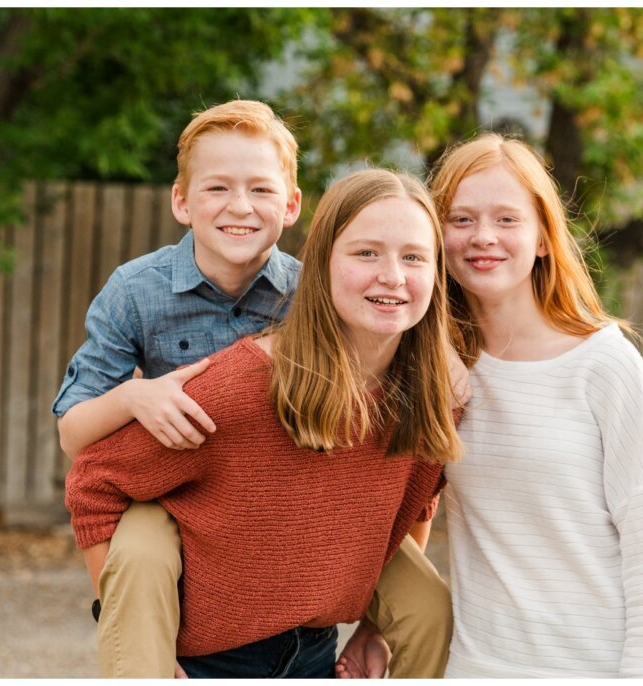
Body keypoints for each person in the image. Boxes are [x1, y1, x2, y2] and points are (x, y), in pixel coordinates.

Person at [53, 100, 454, 677]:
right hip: (167, 481)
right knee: (140, 558)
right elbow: (76, 439)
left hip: (293, 486)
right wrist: (135, 397)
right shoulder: (137, 291)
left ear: (291, 206)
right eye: (218, 188)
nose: (240, 207)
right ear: (181, 200)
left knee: (427, 604)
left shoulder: (312, 292)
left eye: (261, 190)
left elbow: (409, 466)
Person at [337, 133, 643, 678]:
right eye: (460, 219)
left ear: (542, 238)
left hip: (595, 667)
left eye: (506, 219)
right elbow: (411, 501)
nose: (483, 237)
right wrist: (377, 623)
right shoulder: (434, 366)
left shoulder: (603, 364)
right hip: (477, 666)